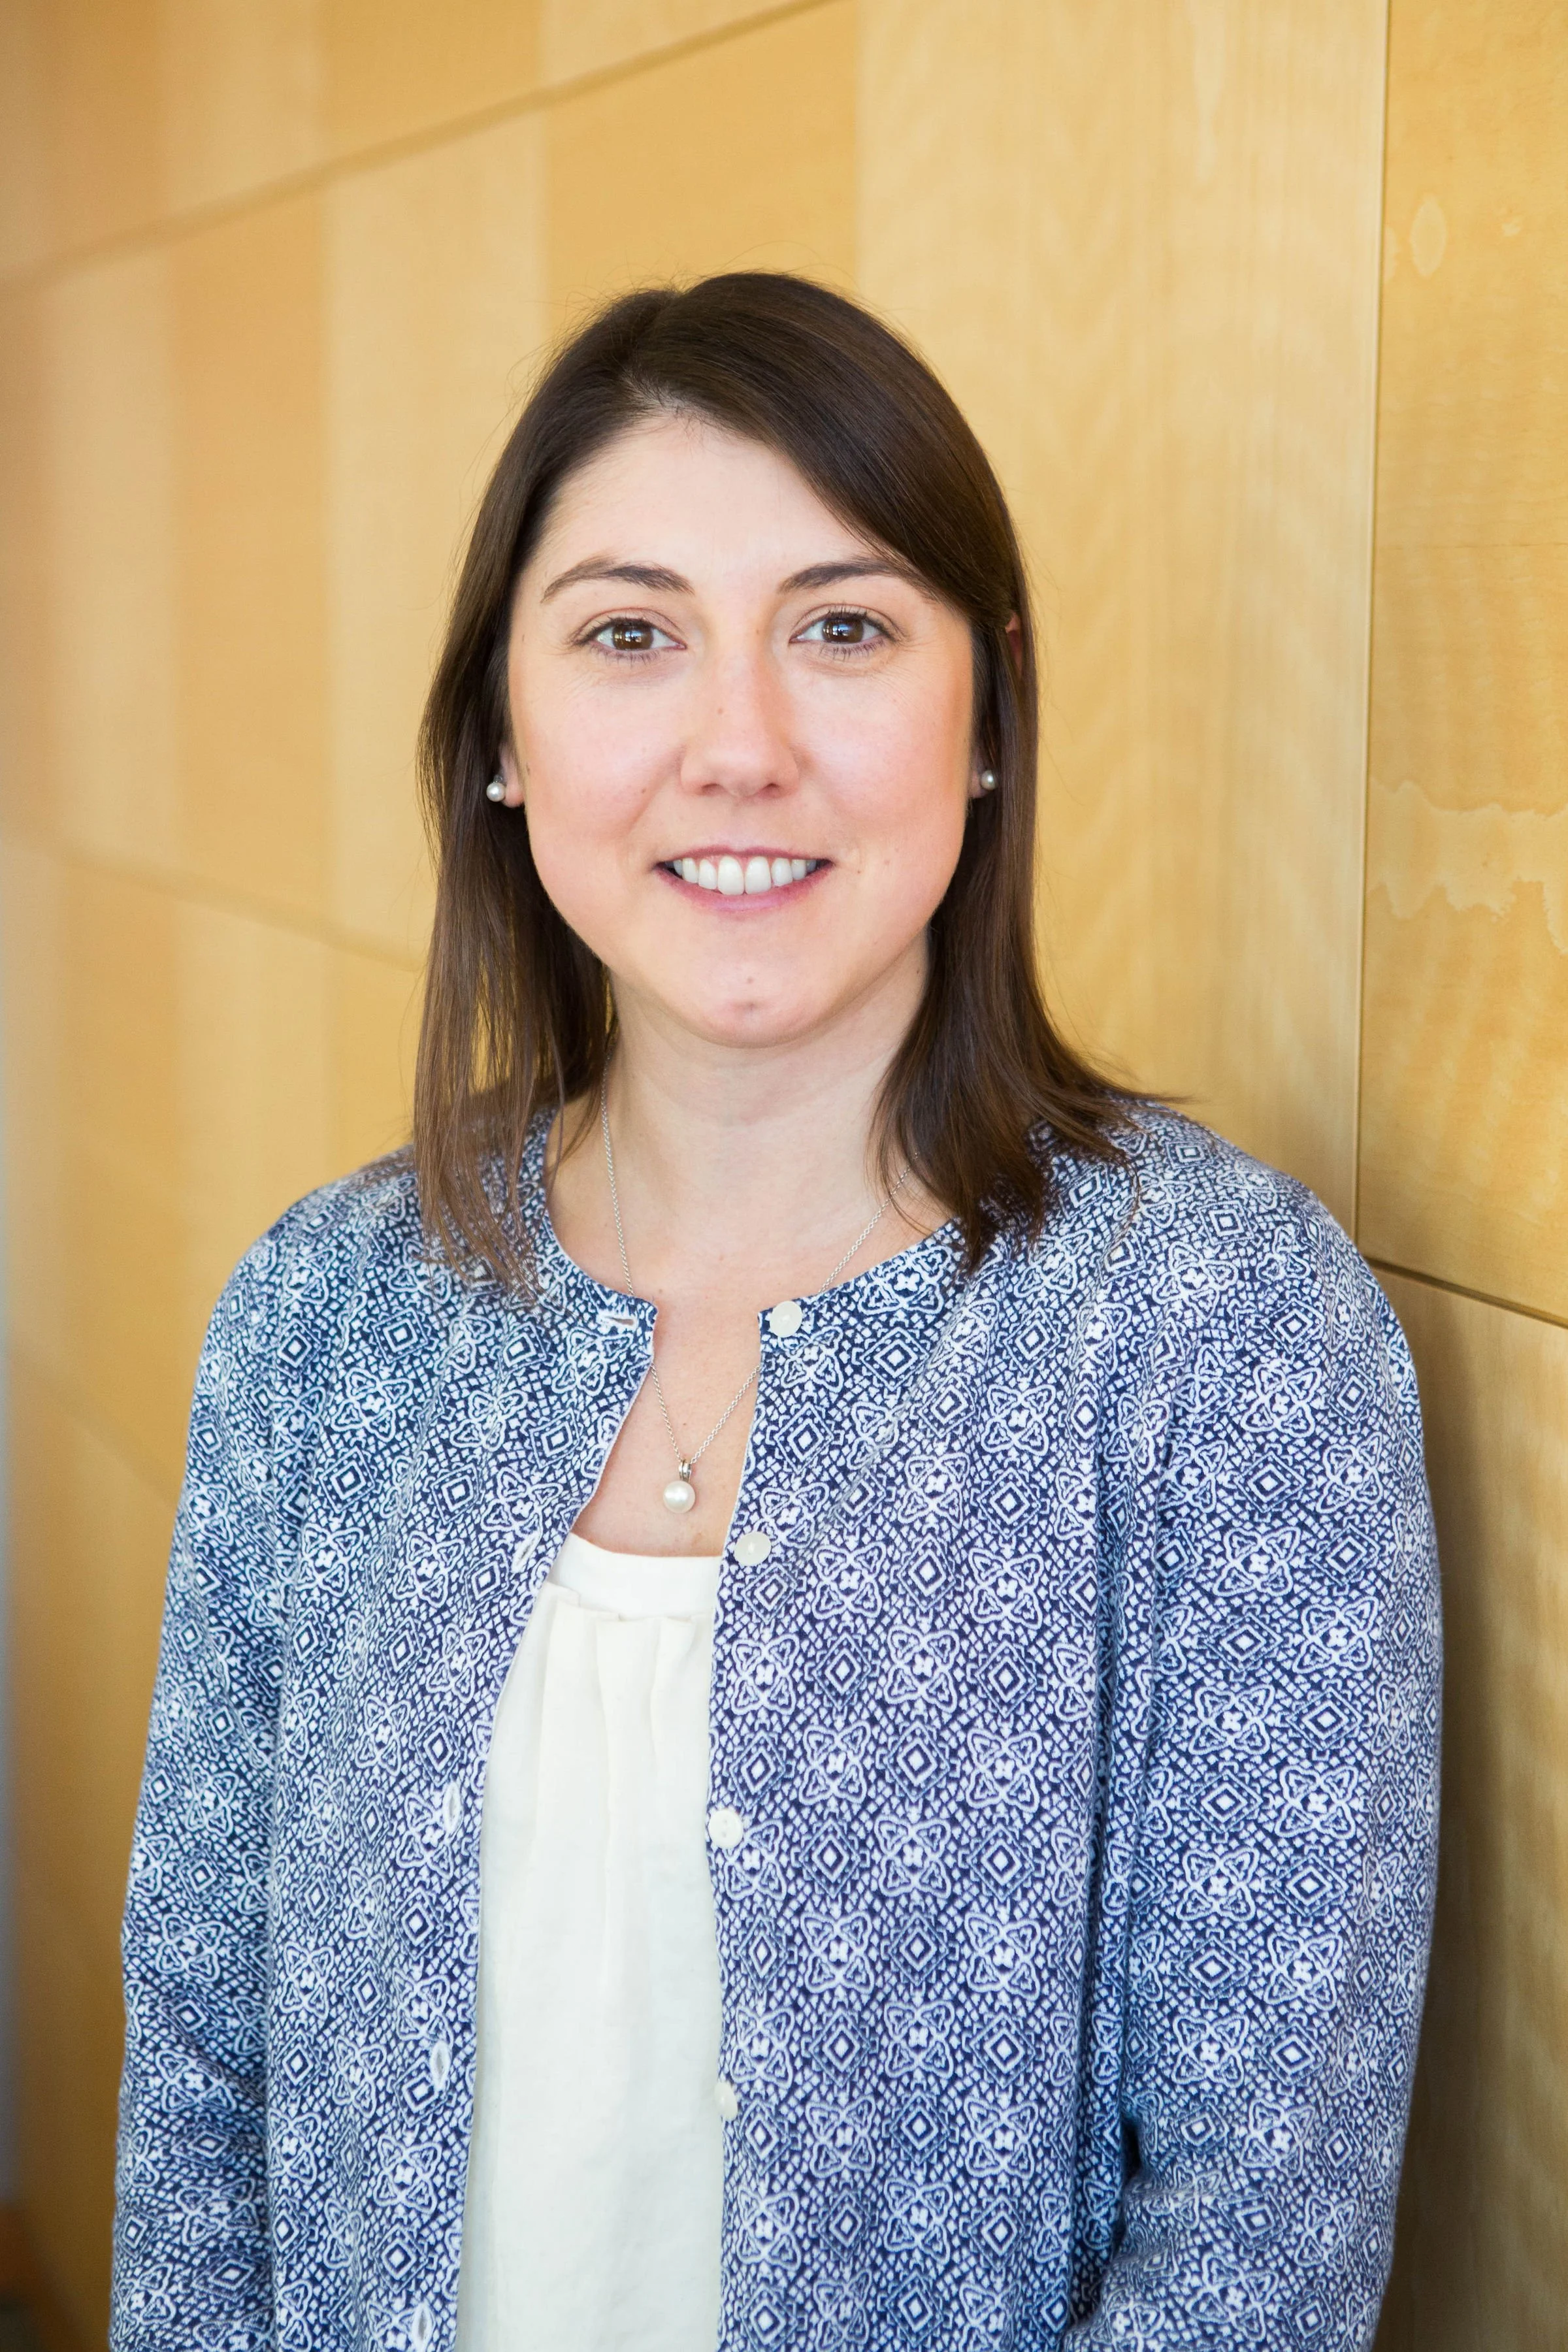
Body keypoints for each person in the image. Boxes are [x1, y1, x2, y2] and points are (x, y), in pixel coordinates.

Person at [110, 273, 1440, 2352]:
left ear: (985, 712)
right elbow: (202, 2066)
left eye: (842, 627)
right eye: (630, 635)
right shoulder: (325, 1315)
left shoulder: (1219, 1333)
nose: (740, 745)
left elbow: (1261, 2225)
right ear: (501, 743)